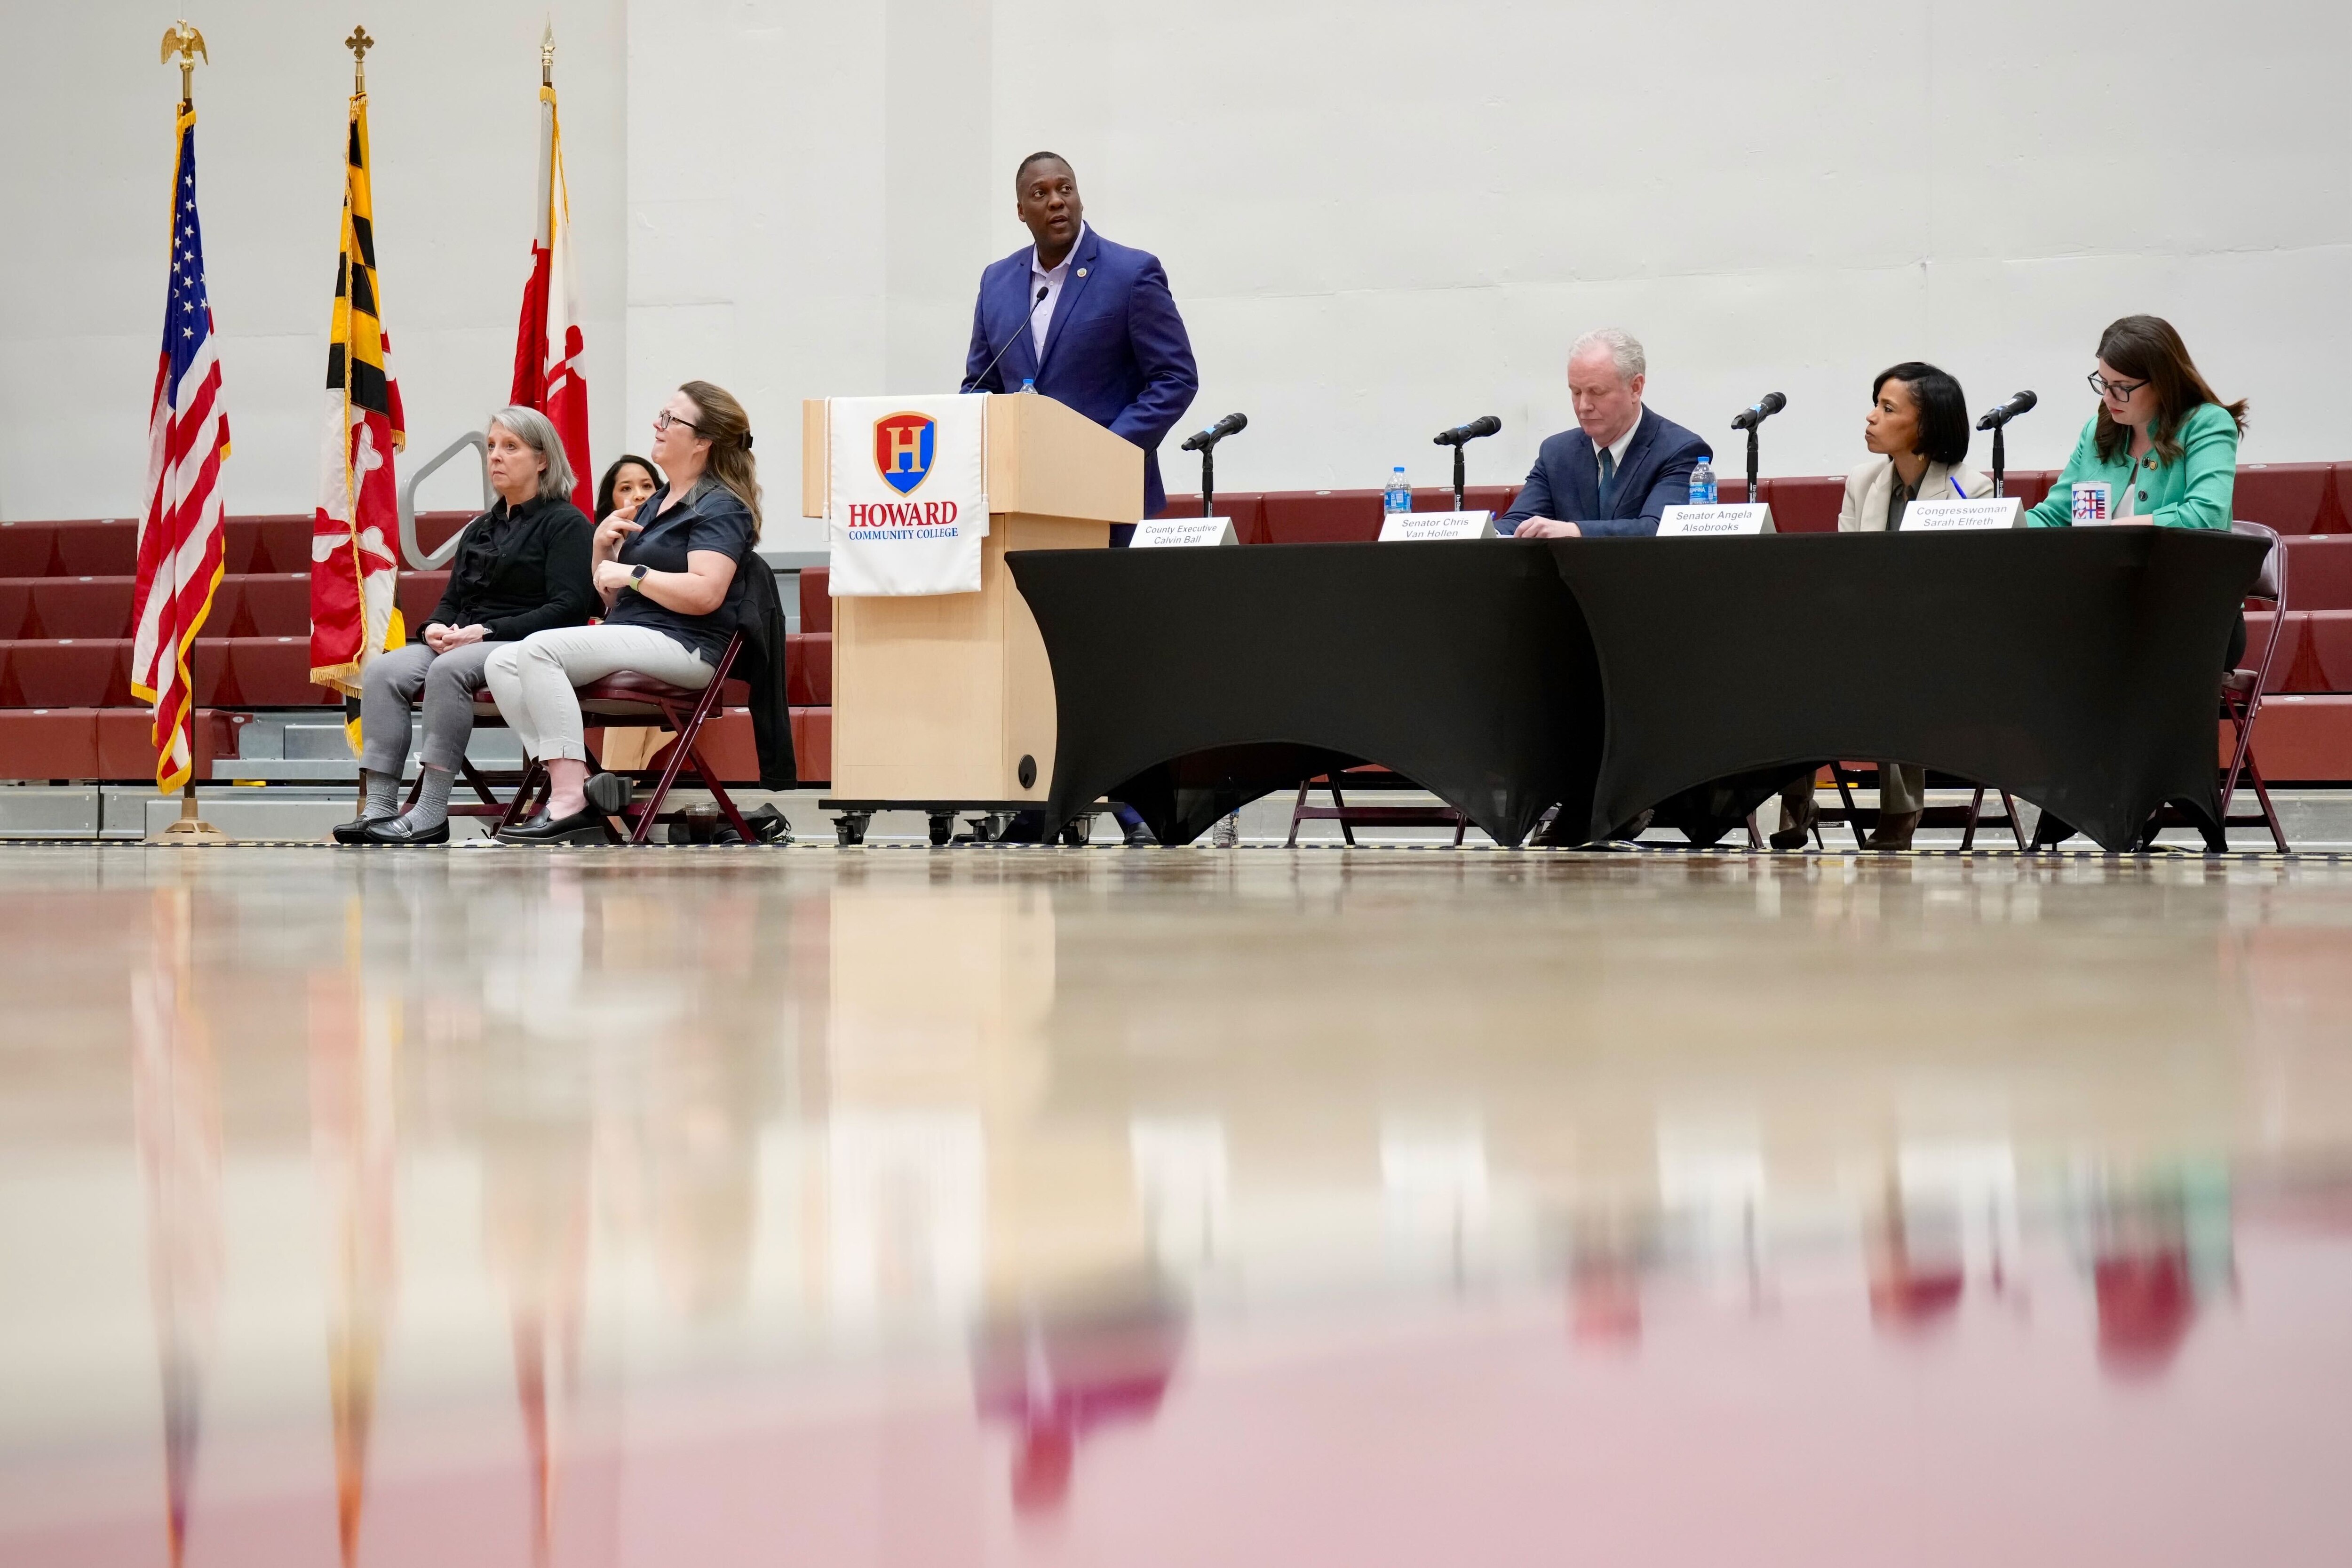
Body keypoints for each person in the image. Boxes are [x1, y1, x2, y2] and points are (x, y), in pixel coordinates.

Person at [485, 381, 763, 845]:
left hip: (686, 646)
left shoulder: (720, 507)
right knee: (500, 662)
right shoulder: (655, 503)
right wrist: (600, 552)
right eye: (661, 414)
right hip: (638, 633)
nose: (658, 424)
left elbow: (705, 594)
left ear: (701, 442)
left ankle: (570, 803)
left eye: (671, 419)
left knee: (536, 652)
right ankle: (570, 787)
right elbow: (614, 601)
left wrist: (632, 572)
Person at [2022, 315, 2249, 849]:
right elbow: (2057, 516)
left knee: (2097, 661)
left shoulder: (2205, 424)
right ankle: (2093, 799)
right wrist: (1998, 524)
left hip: (2193, 617)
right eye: (2101, 383)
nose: (2109, 398)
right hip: (2108, 615)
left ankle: (2118, 798)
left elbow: (2206, 515)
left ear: (2163, 381)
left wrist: (2112, 529)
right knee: (2034, 653)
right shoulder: (2096, 432)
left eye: (2122, 387)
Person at [332, 406, 596, 845]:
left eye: (510, 447)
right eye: (492, 447)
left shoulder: (567, 524)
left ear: (543, 459)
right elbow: (452, 600)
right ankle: (379, 807)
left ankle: (431, 811)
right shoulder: (480, 529)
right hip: (466, 637)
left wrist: (487, 632)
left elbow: (568, 609)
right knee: (382, 671)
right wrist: (434, 627)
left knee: (448, 671)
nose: (495, 457)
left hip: (520, 643)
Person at [1774, 363, 1993, 852]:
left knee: (1894, 661)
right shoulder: (1862, 480)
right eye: (1875, 404)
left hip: (1939, 645)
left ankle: (1900, 810)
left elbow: (1965, 594)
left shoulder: (1970, 488)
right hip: (1865, 630)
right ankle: (1796, 801)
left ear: (1927, 423)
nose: (1871, 418)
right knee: (1791, 660)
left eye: (1887, 408)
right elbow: (1845, 568)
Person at [962, 151, 1199, 532]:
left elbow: (1176, 378)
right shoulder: (997, 282)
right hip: (1022, 501)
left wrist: (1107, 450)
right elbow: (980, 386)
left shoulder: (1131, 273)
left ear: (1080, 200)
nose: (1056, 200)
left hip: (1110, 498)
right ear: (1021, 211)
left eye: (1065, 189)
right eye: (1040, 193)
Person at [1498, 329, 1712, 538]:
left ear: (1635, 388)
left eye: (1596, 392)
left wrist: (1575, 532)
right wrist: (1482, 532)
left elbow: (1659, 528)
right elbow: (1518, 523)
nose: (1583, 406)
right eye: (1576, 392)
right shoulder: (1556, 453)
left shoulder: (1680, 450)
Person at [595, 454, 660, 520]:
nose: (639, 496)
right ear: (611, 503)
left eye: (646, 486)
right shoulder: (599, 531)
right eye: (626, 489)